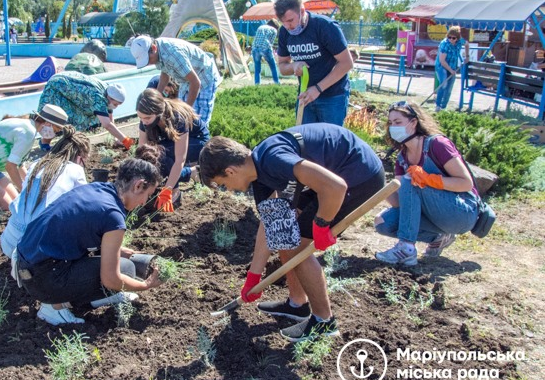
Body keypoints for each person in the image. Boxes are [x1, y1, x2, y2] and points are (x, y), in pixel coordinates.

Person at [198, 124, 385, 342]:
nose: (228, 190)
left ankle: (324, 322)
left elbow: (336, 187)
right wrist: (254, 277)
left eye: (223, 185)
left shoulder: (272, 159)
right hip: (328, 178)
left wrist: (321, 223)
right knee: (285, 236)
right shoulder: (259, 175)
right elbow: (271, 226)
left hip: (359, 174)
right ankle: (298, 305)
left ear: (230, 171)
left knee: (298, 247)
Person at [16, 158, 164, 324]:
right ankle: (54, 307)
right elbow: (111, 279)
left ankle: (92, 297)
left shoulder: (96, 189)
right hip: (44, 281)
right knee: (126, 269)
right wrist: (145, 285)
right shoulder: (113, 216)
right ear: (138, 185)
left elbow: (77, 232)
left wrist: (115, 249)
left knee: (117, 263)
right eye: (148, 195)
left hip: (25, 265)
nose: (144, 202)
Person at [0, 125, 92, 325]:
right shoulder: (75, 170)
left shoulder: (37, 164)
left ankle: (19, 270)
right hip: (35, 249)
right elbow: (88, 205)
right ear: (80, 156)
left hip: (9, 240)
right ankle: (53, 307)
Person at [374, 101, 480, 265]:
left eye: (398, 122)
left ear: (414, 122)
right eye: (390, 123)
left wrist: (430, 179)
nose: (393, 127)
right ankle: (439, 237)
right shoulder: (402, 158)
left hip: (463, 212)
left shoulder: (437, 144)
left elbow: (466, 183)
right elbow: (400, 203)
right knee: (383, 223)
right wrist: (380, 187)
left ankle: (406, 248)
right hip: (434, 215)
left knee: (411, 180)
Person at [274, 0, 353, 126]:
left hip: (332, 97)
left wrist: (317, 89)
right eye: (283, 22)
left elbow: (346, 63)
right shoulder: (284, 32)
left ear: (302, 11)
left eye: (290, 21)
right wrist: (293, 67)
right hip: (305, 96)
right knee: (306, 141)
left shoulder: (325, 26)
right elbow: (282, 66)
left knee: (330, 142)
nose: (288, 27)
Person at [136, 88, 210, 212]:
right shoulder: (146, 120)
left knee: (161, 154)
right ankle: (191, 172)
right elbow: (141, 153)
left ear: (158, 113)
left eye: (147, 118)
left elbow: (180, 158)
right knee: (150, 154)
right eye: (141, 117)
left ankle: (176, 191)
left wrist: (168, 189)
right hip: (173, 141)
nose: (144, 121)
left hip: (199, 142)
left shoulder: (177, 118)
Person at [130, 35, 222, 125]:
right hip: (186, 80)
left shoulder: (173, 54)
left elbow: (195, 82)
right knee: (180, 117)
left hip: (204, 76)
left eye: (148, 59)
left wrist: (187, 110)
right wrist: (155, 98)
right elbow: (165, 74)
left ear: (153, 48)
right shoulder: (158, 52)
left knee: (198, 119)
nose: (149, 63)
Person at [37, 71, 133, 151]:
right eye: (115, 104)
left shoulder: (108, 91)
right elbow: (107, 124)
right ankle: (44, 142)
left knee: (75, 116)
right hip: (57, 87)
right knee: (56, 117)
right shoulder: (97, 98)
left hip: (67, 90)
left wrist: (116, 138)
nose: (115, 107)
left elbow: (109, 117)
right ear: (109, 98)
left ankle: (68, 142)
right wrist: (125, 140)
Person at [434, 26, 469, 112]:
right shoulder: (444, 44)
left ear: (458, 38)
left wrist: (467, 56)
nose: (451, 39)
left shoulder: (460, 42)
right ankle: (438, 106)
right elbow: (442, 61)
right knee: (444, 84)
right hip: (441, 67)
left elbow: (467, 44)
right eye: (449, 37)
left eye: (453, 38)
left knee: (449, 88)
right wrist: (450, 70)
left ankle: (443, 107)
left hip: (452, 67)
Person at [251, 19, 280, 85]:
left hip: (255, 48)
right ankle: (277, 83)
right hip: (265, 48)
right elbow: (270, 42)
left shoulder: (260, 27)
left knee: (257, 68)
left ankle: (257, 84)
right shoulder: (274, 30)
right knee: (273, 66)